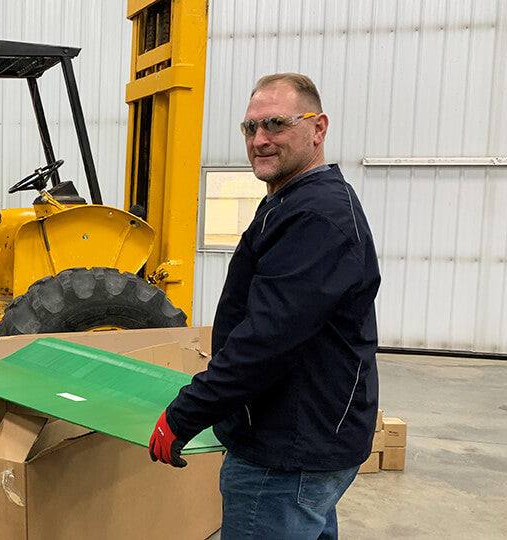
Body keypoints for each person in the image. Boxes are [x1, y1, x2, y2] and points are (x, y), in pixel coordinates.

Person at [148, 73, 380, 539]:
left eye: (276, 123)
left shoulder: (314, 215)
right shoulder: (292, 201)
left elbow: (266, 341)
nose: (260, 139)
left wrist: (185, 414)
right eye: (250, 128)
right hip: (303, 438)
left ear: (318, 128)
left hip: (286, 453)